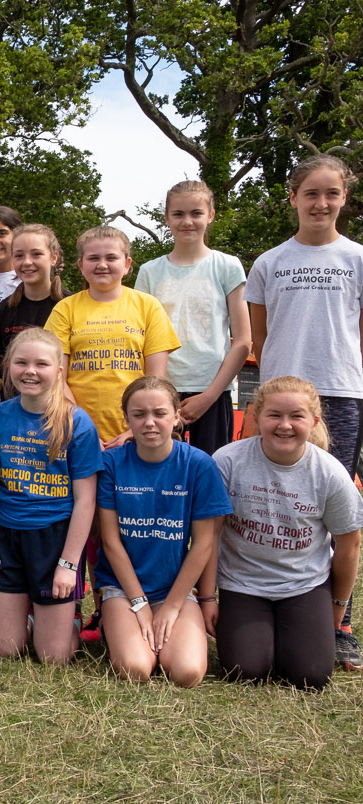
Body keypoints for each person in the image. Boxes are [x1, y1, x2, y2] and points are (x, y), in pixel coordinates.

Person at [242, 154, 363, 669]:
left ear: (344, 199)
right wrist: (267, 396)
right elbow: (260, 337)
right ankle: (256, 595)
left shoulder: (358, 257)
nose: (321, 203)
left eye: (331, 194)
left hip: (341, 392)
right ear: (292, 198)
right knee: (273, 501)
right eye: (310, 193)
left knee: (338, 506)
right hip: (279, 397)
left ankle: (341, 622)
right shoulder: (269, 262)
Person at [211, 377, 363, 688]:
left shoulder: (330, 474)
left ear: (314, 421)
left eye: (297, 416)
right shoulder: (227, 461)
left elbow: (350, 545)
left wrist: (337, 608)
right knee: (245, 669)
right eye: (274, 415)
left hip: (305, 584)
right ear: (256, 417)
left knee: (310, 675)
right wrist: (206, 597)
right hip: (243, 583)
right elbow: (208, 538)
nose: (285, 425)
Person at [94, 377, 232, 688]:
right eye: (139, 414)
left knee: (187, 672)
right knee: (136, 668)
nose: (150, 422)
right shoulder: (111, 463)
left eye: (159, 413)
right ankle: (112, 623)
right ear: (127, 419)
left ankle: (163, 625)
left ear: (176, 416)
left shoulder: (198, 465)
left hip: (175, 589)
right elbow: (111, 542)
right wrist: (140, 604)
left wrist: (171, 607)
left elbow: (203, 544)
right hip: (123, 588)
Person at [0, 328, 101, 665]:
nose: (30, 371)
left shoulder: (78, 423)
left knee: (54, 657)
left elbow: (86, 501)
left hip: (55, 538)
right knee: (5, 649)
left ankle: (64, 617)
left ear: (59, 370)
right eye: (21, 363)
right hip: (8, 534)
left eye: (41, 364)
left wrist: (68, 565)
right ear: (8, 367)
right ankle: (29, 616)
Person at [135, 181, 250, 454]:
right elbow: (141, 338)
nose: (187, 221)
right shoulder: (150, 272)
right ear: (167, 217)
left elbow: (244, 341)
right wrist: (160, 393)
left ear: (210, 215)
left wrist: (208, 397)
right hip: (160, 392)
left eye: (196, 213)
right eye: (178, 214)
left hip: (213, 392)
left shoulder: (227, 266)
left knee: (210, 473)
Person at [45, 225, 180, 448]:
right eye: (93, 258)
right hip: (76, 431)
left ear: (127, 265)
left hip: (137, 434)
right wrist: (80, 426)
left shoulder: (148, 307)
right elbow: (55, 376)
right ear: (80, 265)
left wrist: (133, 430)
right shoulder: (65, 309)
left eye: (111, 257)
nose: (102, 264)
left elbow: (156, 379)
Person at [0, 224, 69, 380]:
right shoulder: (4, 310)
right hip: (14, 401)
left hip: (60, 401)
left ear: (53, 257)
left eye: (36, 254)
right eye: (19, 255)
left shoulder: (70, 306)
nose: (27, 262)